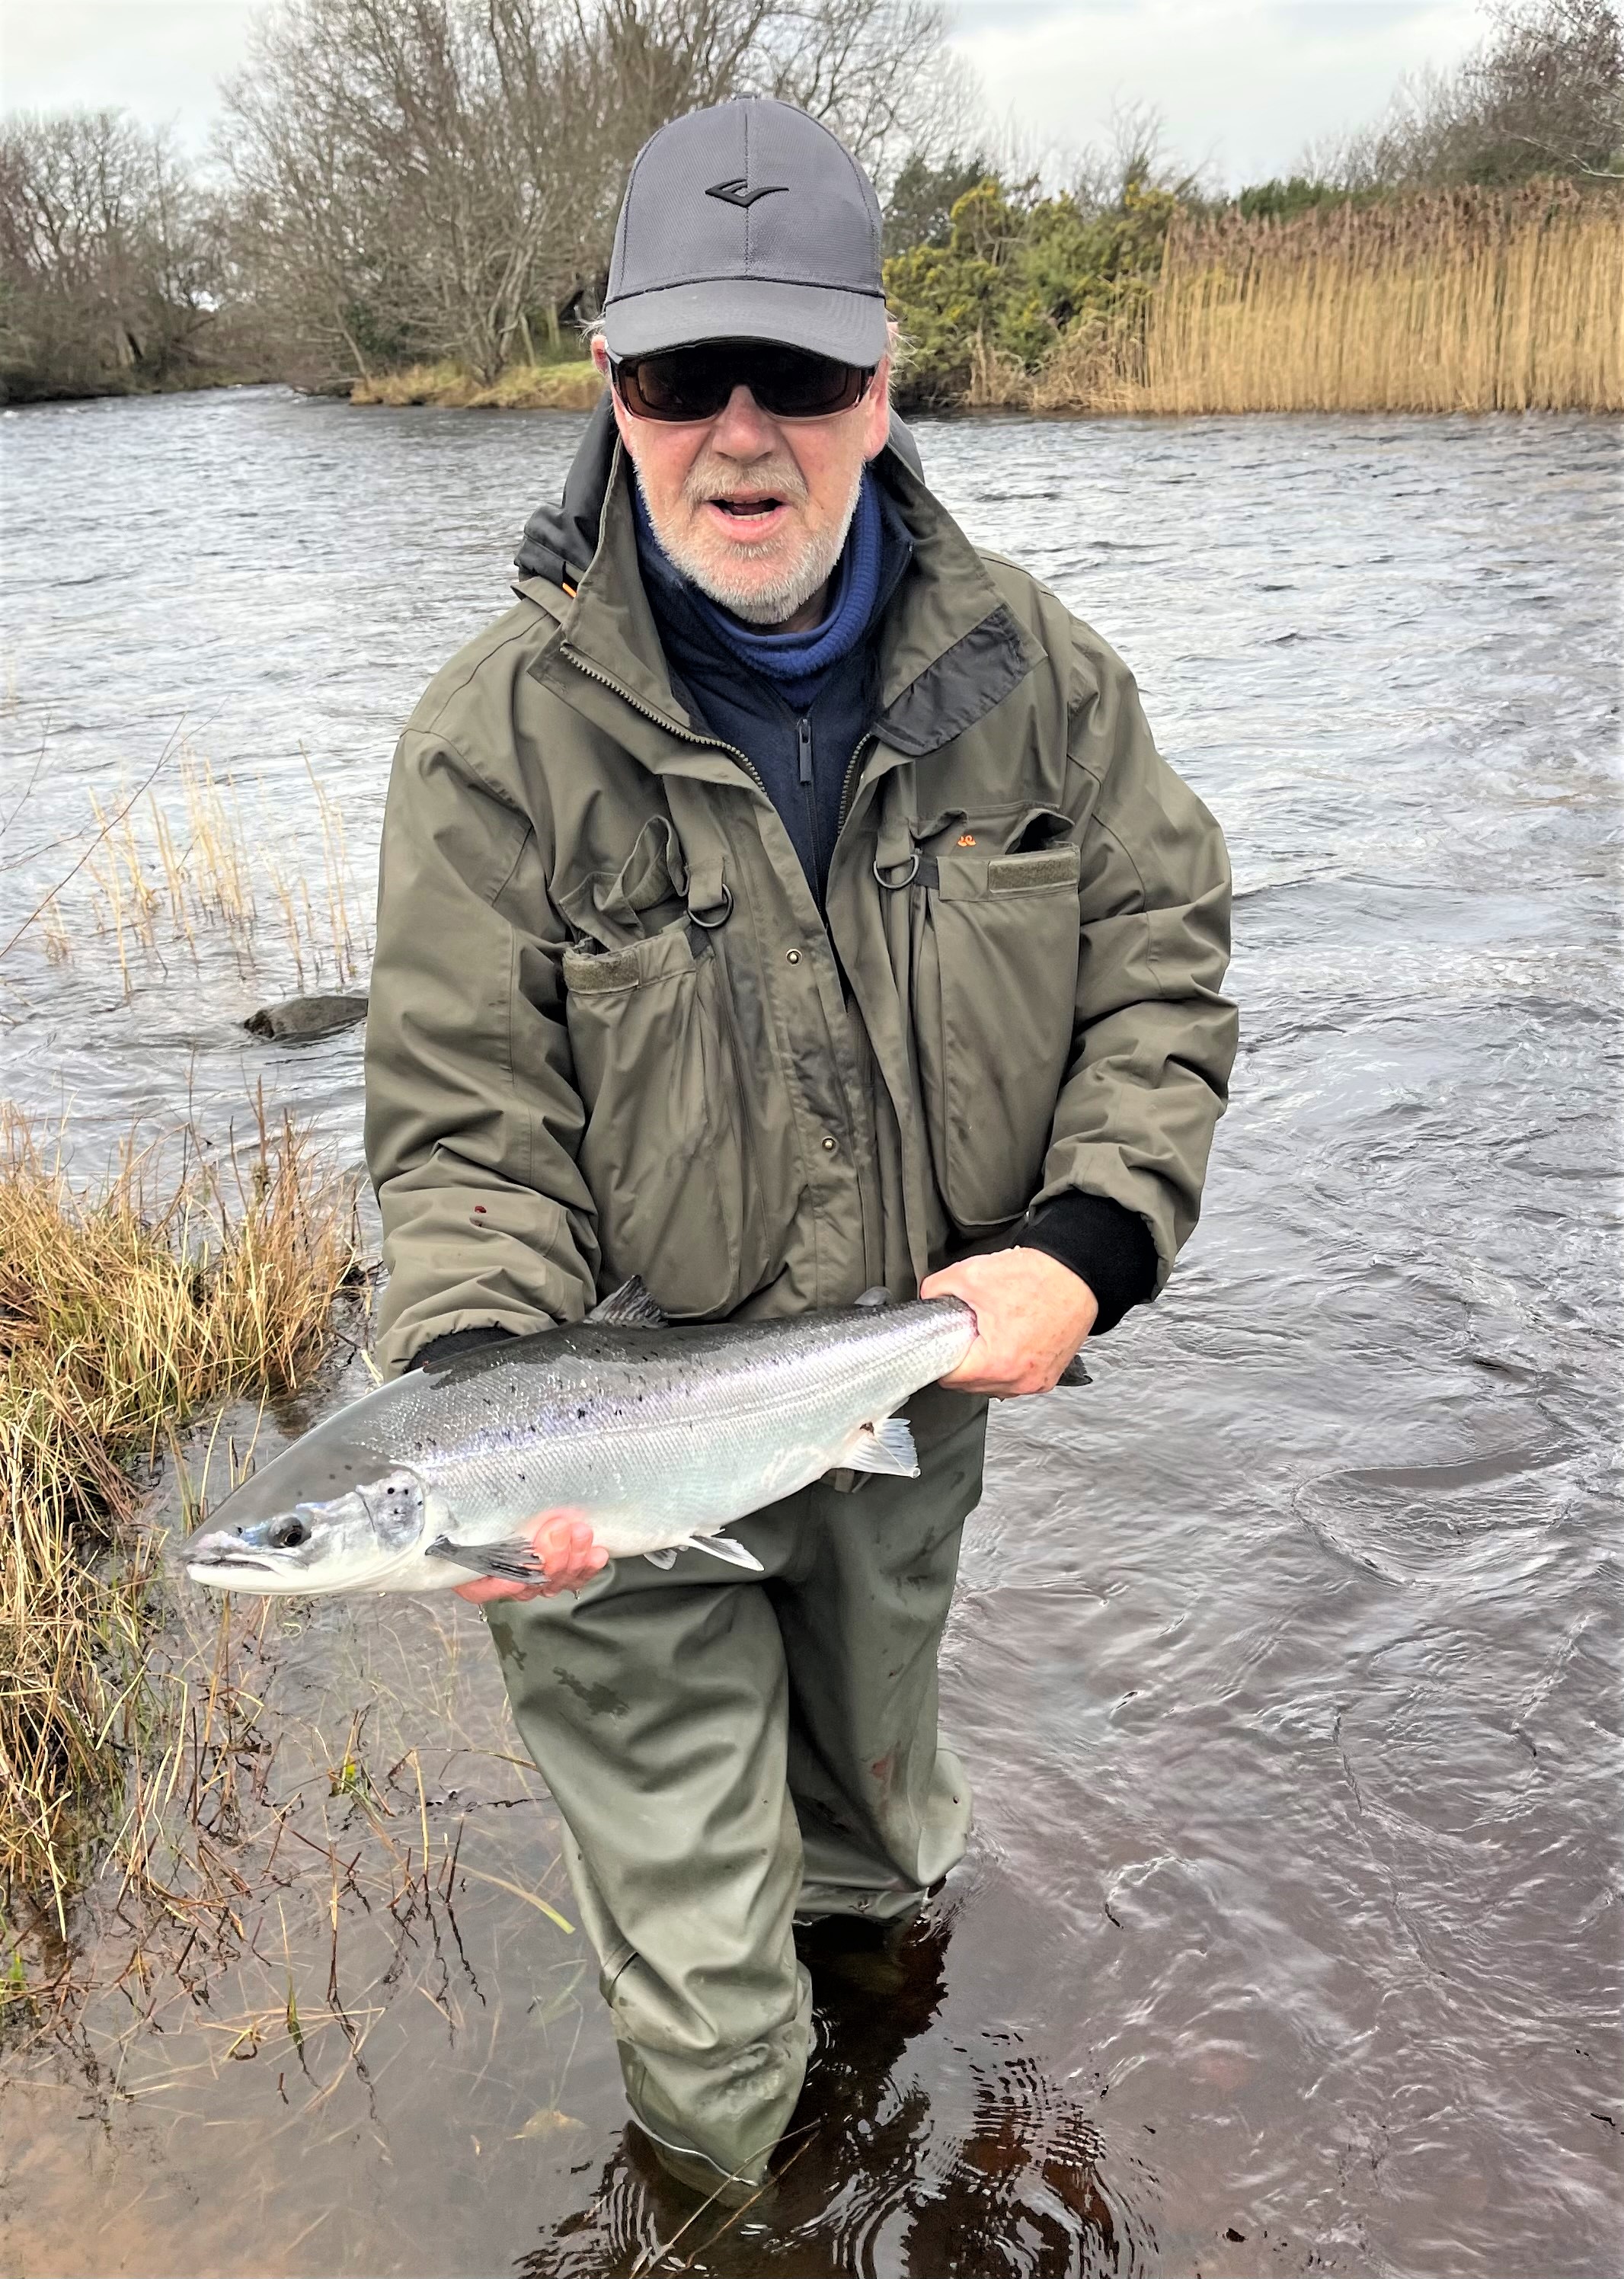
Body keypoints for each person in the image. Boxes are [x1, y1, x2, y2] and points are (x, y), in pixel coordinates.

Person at [363, 95, 1237, 2204]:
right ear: (606, 379)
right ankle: (741, 2210)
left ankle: (901, 2126)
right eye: (681, 376)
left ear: (880, 380)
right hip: (596, 1451)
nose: (738, 434)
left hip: (901, 1392)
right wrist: (493, 1412)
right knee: (704, 1976)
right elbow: (464, 1139)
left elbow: (1161, 967)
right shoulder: (489, 746)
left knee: (873, 1842)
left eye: (799, 374)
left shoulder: (1040, 677)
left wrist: (1092, 1237)